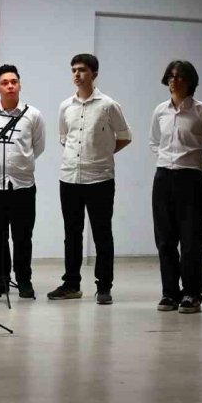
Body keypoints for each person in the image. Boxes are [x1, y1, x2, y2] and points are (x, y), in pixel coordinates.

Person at [48, 54, 131, 305]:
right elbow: (65, 138)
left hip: (100, 178)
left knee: (101, 233)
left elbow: (125, 136)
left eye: (82, 70)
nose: (77, 74)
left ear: (94, 74)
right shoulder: (66, 106)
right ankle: (71, 284)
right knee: (71, 233)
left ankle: (104, 287)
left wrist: (102, 153)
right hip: (70, 176)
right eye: (73, 70)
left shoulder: (108, 105)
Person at [146, 59, 202, 313]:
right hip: (163, 177)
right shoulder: (160, 111)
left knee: (191, 240)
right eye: (170, 76)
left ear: (190, 82)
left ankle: (192, 293)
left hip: (192, 180)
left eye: (179, 77)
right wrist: (167, 159)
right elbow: (154, 142)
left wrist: (194, 161)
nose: (174, 81)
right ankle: (169, 293)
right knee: (165, 239)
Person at [0, 64, 45, 298]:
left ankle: (24, 280)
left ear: (19, 84)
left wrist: (20, 164)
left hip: (23, 186)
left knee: (22, 236)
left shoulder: (32, 115)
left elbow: (38, 147)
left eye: (13, 81)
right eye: (4, 82)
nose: (9, 86)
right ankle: (2, 278)